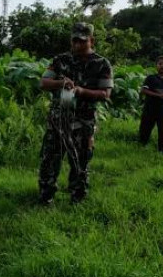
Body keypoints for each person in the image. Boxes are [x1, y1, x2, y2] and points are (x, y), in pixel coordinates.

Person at [38, 22, 114, 205]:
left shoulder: (102, 64)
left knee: (80, 161)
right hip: (58, 120)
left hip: (84, 121)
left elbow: (105, 94)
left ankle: (77, 199)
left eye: (82, 41)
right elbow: (43, 83)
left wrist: (81, 91)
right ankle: (45, 196)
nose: (77, 45)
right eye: (74, 41)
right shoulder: (60, 60)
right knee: (49, 159)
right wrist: (60, 83)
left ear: (91, 40)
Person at [138, 55, 163, 153]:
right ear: (156, 65)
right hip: (149, 108)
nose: (162, 66)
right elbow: (144, 90)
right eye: (160, 64)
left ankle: (162, 151)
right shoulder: (151, 78)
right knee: (145, 130)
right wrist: (158, 95)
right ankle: (140, 148)